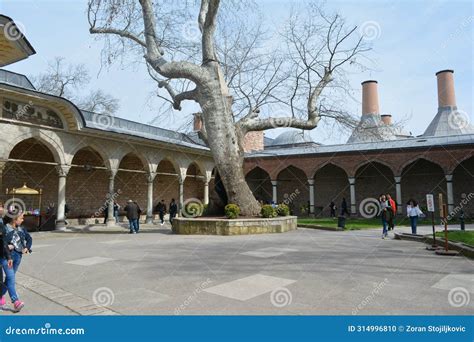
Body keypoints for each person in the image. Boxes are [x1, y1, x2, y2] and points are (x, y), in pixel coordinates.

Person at [1, 211, 32, 312]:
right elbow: (2, 243)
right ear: (14, 219)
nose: (23, 220)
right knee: (11, 278)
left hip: (18, 257)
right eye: (21, 218)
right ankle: (16, 302)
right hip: (6, 257)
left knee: (9, 280)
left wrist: (27, 247)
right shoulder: (4, 229)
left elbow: (29, 238)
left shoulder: (21, 229)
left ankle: (0, 297)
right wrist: (7, 249)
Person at [0, 220, 13, 308]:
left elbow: (4, 242)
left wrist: (8, 257)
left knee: (0, 279)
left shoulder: (1, 225)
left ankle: (0, 297)